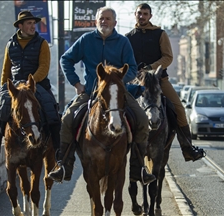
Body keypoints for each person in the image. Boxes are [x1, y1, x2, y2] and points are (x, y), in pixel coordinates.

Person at [48, 7, 156, 185]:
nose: (104, 22)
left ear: (114, 22)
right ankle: (64, 165)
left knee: (142, 119)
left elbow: (133, 68)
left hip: (118, 94)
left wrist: (118, 80)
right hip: (91, 92)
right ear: (96, 21)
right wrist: (76, 83)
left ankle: (140, 170)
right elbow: (65, 59)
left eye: (107, 19)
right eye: (101, 19)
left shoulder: (122, 42)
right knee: (67, 119)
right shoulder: (86, 40)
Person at [0, 11, 61, 167]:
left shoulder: (42, 43)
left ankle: (58, 153)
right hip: (15, 86)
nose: (32, 26)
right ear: (20, 26)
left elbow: (44, 67)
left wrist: (31, 83)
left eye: (33, 23)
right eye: (29, 23)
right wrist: (4, 90)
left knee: (52, 112)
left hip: (37, 84)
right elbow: (6, 70)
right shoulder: (10, 44)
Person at [125, 3, 205, 162]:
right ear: (135, 14)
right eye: (139, 13)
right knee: (118, 108)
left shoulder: (160, 34)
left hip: (159, 80)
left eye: (145, 14)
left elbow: (168, 57)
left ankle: (187, 147)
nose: (142, 16)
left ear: (150, 16)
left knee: (179, 109)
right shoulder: (127, 37)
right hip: (136, 83)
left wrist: (150, 68)